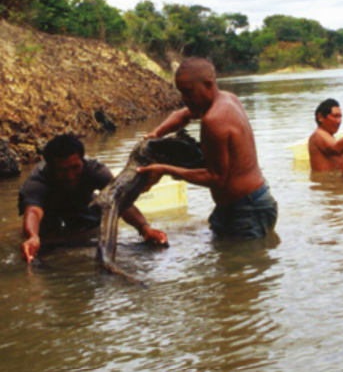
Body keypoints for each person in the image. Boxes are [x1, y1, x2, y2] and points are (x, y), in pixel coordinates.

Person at [137, 57, 278, 240]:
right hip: (245, 204)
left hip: (247, 210)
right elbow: (182, 115)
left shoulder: (214, 120)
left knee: (241, 265)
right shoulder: (228, 98)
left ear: (208, 84)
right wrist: (155, 134)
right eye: (181, 92)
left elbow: (216, 178)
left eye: (188, 92)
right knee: (226, 261)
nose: (184, 99)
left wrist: (164, 169)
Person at [20, 134, 167, 263]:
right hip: (49, 206)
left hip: (81, 203)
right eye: (62, 170)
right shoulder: (36, 182)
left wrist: (144, 228)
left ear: (82, 161)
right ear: (51, 167)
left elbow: (120, 202)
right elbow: (33, 211)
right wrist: (33, 236)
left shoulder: (96, 170)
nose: (70, 176)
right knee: (46, 242)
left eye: (75, 168)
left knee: (86, 232)